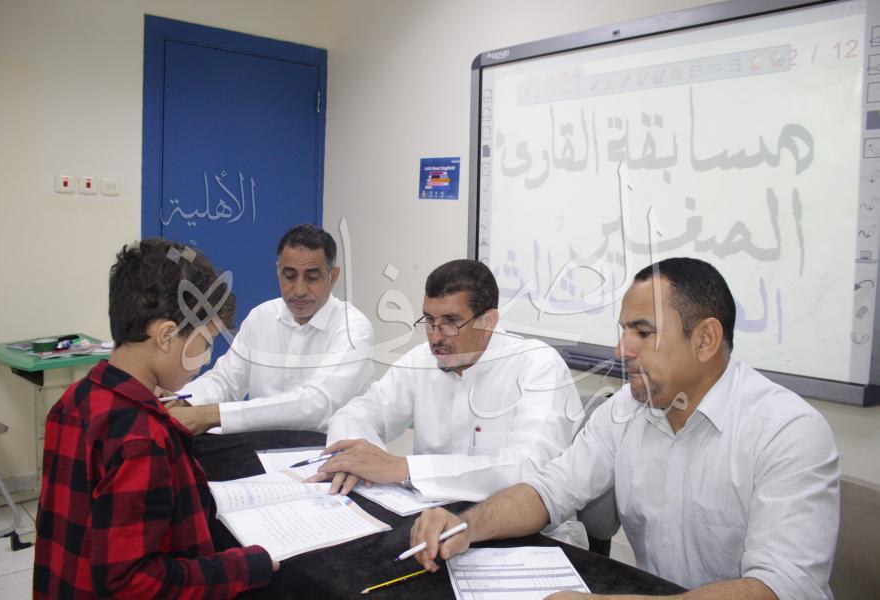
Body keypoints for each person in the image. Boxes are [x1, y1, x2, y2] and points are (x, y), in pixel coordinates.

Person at [410, 257, 840, 600]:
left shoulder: (788, 431)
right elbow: (549, 490)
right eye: (623, 331)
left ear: (706, 339)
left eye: (643, 332)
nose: (621, 349)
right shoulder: (625, 409)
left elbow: (784, 587)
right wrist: (465, 525)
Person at [33, 239, 276, 598]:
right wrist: (243, 567)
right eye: (205, 343)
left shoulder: (73, 401)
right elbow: (133, 582)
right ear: (166, 336)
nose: (206, 359)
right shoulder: (142, 438)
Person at [312, 259, 583, 503]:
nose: (436, 336)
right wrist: (357, 460)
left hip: (522, 531)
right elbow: (357, 413)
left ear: (488, 321)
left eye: (451, 322)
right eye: (430, 321)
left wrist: (403, 468)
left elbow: (528, 469)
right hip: (428, 516)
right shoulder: (421, 360)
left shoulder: (538, 365)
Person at [169, 224, 374, 435]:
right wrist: (183, 401)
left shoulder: (353, 328)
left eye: (312, 277)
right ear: (278, 272)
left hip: (332, 448)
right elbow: (225, 380)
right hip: (263, 446)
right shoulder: (262, 316)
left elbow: (316, 404)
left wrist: (211, 415)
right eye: (289, 276)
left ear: (333, 276)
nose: (299, 290)